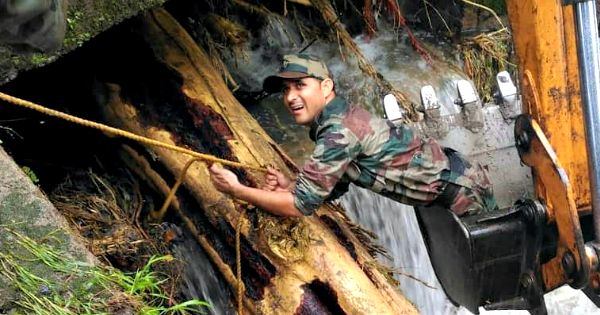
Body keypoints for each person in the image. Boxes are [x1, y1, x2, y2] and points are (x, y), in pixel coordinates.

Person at [209, 54, 497, 217]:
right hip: (458, 180)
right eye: (285, 90)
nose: (291, 97)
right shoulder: (337, 119)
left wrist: (238, 190)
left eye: (300, 85)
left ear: (325, 87)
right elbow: (332, 186)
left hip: (463, 193)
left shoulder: (338, 131)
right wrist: (291, 184)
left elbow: (300, 206)